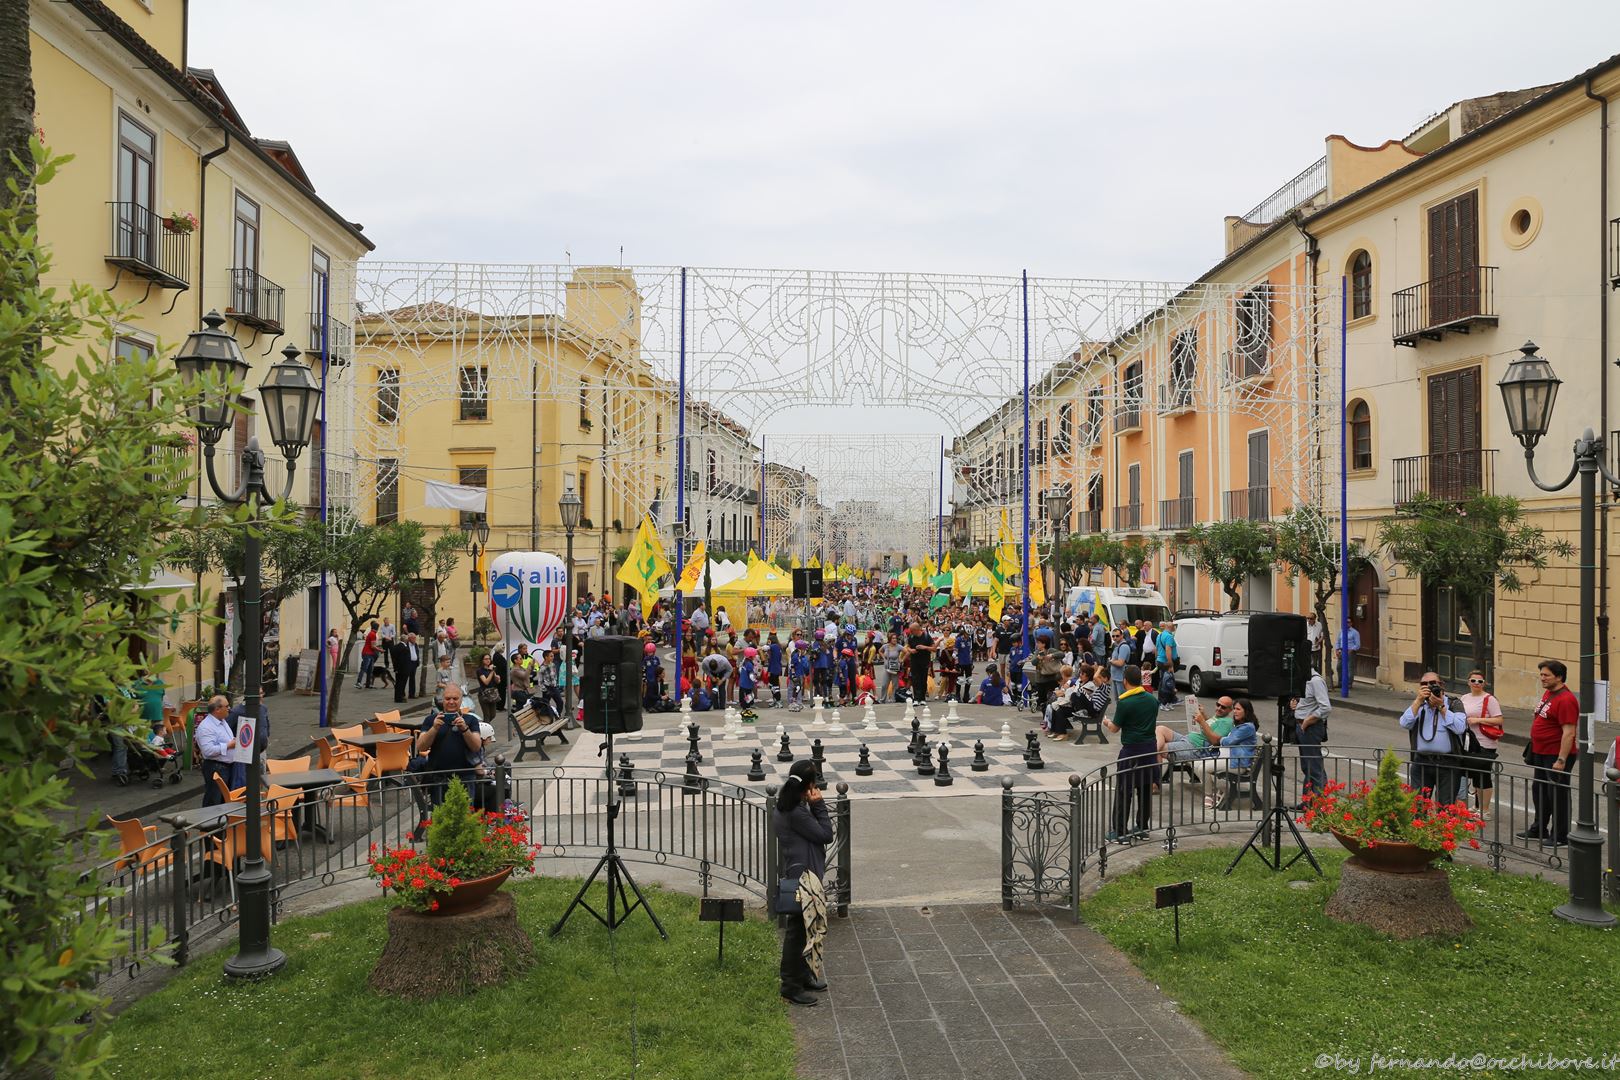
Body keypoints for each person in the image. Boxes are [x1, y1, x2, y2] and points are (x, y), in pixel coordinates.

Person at [773, 759, 832, 1007]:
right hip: (803, 878)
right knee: (798, 930)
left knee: (807, 927)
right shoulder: (796, 812)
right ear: (809, 785)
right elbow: (825, 835)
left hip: (802, 872)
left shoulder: (789, 805)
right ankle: (790, 986)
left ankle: (804, 975)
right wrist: (819, 806)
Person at [410, 684, 484, 842]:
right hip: (439, 778)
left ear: (461, 700)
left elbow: (476, 745)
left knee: (465, 817)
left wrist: (464, 729)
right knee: (441, 819)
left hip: (465, 777)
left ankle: (465, 848)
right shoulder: (431, 720)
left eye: (455, 699)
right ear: (442, 700)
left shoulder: (470, 720)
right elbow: (421, 746)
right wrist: (434, 728)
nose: (451, 702)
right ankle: (443, 850)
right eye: (448, 698)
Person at [1521, 658, 1577, 845]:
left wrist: (1561, 760)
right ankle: (1539, 828)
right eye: (1541, 675)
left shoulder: (1566, 699)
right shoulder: (1548, 694)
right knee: (1540, 791)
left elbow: (1569, 733)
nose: (1542, 678)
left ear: (1559, 677)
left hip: (1556, 754)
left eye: (1546, 675)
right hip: (1541, 752)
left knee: (1557, 794)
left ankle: (1560, 836)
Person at [1104, 665, 1158, 841]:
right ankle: (1142, 827)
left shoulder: (1125, 703)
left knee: (1123, 790)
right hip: (1149, 749)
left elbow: (1114, 728)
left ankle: (1119, 831)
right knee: (1144, 789)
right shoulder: (1152, 700)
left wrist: (1105, 722)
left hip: (1131, 751)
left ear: (1125, 680)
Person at [1400, 671, 1467, 807]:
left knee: (1445, 807)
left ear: (1442, 686)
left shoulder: (1454, 703)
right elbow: (1404, 723)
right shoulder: (1419, 705)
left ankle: (1442, 829)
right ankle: (1418, 828)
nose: (1428, 687)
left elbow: (1460, 727)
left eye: (1432, 684)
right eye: (1424, 684)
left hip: (1448, 763)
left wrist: (1441, 707)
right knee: (1418, 805)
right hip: (1422, 762)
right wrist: (1418, 701)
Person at [1459, 669, 1504, 820]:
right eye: (1473, 681)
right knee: (1475, 775)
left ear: (1484, 683)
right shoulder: (1464, 697)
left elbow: (1498, 720)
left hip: (1485, 742)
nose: (1476, 683)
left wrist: (1478, 720)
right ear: (1468, 682)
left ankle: (1485, 810)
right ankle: (1477, 806)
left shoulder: (1489, 699)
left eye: (1480, 681)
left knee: (1483, 775)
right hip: (1469, 742)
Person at [1291, 667, 1332, 806]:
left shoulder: (1315, 681)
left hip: (1310, 728)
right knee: (1307, 766)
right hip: (1302, 727)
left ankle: (1320, 805)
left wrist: (1308, 720)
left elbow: (1326, 707)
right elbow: (1307, 702)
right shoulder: (1304, 681)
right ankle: (1308, 802)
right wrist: (1296, 705)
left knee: (1314, 767)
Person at [194, 695, 238, 807]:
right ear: (217, 709)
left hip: (227, 766)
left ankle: (223, 821)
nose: (229, 709)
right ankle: (211, 823)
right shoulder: (206, 727)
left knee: (224, 799)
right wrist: (229, 745)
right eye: (227, 706)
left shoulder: (222, 721)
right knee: (214, 800)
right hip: (216, 767)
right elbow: (208, 751)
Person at [226, 696, 270, 790]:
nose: (261, 696)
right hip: (245, 754)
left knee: (261, 779)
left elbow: (266, 724)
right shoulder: (236, 712)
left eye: (262, 693)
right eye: (259, 693)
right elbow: (228, 729)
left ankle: (259, 800)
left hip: (261, 752)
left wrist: (266, 737)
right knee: (245, 782)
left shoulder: (263, 708)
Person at [391, 632, 420, 703]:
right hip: (405, 666)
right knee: (402, 682)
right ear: (408, 639)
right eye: (413, 638)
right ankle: (401, 696)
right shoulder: (405, 647)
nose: (415, 640)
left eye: (415, 638)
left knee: (411, 679)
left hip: (413, 664)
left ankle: (411, 694)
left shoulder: (415, 645)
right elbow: (401, 659)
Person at [476, 652, 503, 720]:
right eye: (486, 659)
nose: (488, 660)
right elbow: (486, 682)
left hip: (492, 693)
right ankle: (485, 727)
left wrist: (498, 678)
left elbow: (497, 682)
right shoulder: (480, 670)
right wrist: (491, 672)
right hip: (484, 694)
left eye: (489, 659)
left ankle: (485, 725)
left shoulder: (492, 669)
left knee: (493, 715)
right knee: (487, 715)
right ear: (482, 660)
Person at [1108, 628, 1131, 708]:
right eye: (1113, 636)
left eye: (1117, 636)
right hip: (1116, 677)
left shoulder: (1123, 646)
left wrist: (1111, 661)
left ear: (1122, 635)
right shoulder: (1117, 646)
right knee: (1118, 701)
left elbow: (1121, 663)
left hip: (1121, 678)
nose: (1115, 638)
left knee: (1123, 700)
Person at [1335, 624, 1361, 690]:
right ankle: (1340, 683)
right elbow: (1338, 641)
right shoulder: (1341, 631)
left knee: (1350, 668)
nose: (1346, 623)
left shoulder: (1355, 632)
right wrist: (1337, 649)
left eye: (1348, 622)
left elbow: (1357, 644)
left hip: (1350, 652)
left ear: (1351, 623)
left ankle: (1349, 684)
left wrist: (1351, 650)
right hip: (1342, 651)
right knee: (1339, 667)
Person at [358, 621, 381, 688]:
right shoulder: (372, 634)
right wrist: (380, 650)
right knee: (364, 668)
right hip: (367, 653)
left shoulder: (373, 633)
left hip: (371, 653)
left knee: (370, 669)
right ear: (377, 628)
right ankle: (358, 682)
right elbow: (373, 646)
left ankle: (368, 684)